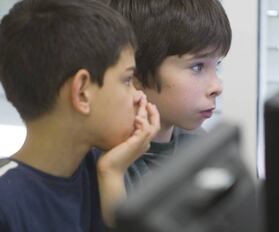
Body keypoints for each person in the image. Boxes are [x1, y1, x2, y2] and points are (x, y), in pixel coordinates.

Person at [0, 0, 160, 231]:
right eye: (127, 80)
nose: (139, 97)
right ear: (82, 93)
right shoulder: (7, 202)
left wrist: (112, 174)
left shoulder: (103, 166)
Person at [104, 0, 232, 191]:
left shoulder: (199, 145)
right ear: (135, 73)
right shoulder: (108, 162)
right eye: (197, 67)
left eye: (217, 65)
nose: (217, 87)